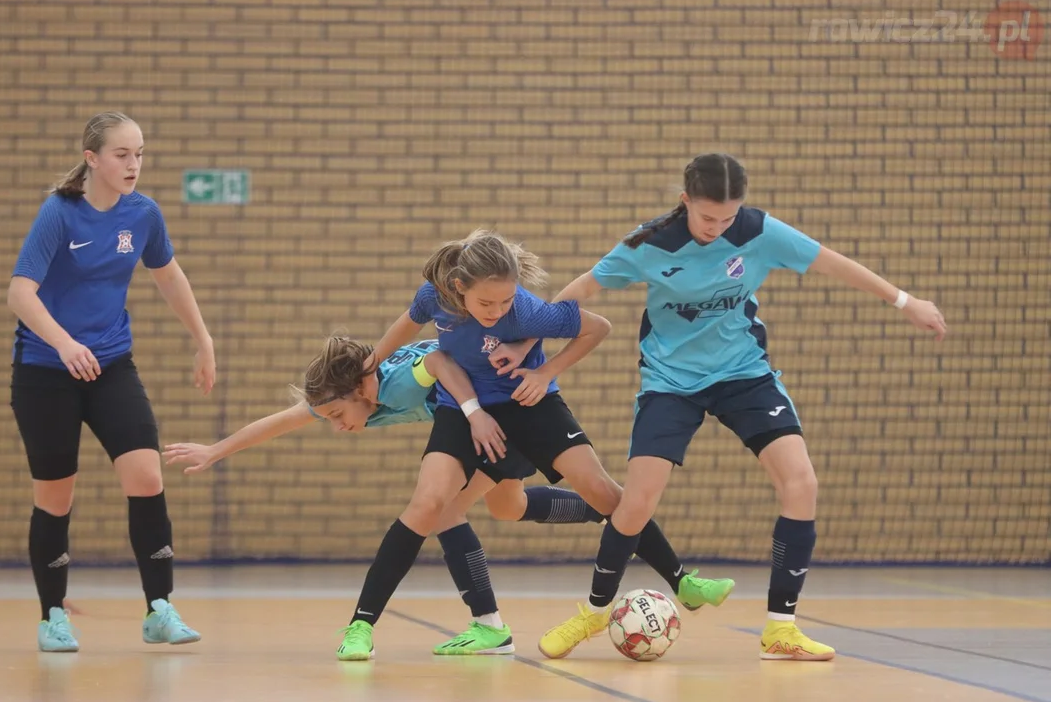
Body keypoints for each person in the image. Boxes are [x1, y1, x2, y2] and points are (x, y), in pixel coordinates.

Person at [521, 152, 947, 661]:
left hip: (745, 375)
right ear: (685, 202)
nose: (717, 228)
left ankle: (780, 629)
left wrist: (906, 302)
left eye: (727, 217)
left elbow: (836, 264)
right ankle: (591, 615)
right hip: (671, 381)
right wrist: (532, 353)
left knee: (801, 483)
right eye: (707, 218)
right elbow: (578, 291)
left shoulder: (760, 232)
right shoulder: (649, 242)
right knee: (636, 502)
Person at [335, 229, 735, 662]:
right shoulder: (436, 297)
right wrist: (370, 366)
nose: (497, 311)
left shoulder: (526, 311)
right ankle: (361, 625)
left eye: (505, 301)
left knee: (603, 491)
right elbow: (406, 323)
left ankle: (683, 583)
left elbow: (598, 327)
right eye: (486, 303)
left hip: (528, 402)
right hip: (463, 408)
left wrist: (545, 374)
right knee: (430, 503)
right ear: (458, 288)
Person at [163, 334, 610, 655]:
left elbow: (436, 360)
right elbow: (279, 421)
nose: (337, 427)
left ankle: (482, 625)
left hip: (497, 417)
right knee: (507, 507)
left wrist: (472, 413)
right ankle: (601, 512)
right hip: (483, 421)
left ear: (360, 389)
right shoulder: (339, 395)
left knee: (441, 511)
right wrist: (216, 450)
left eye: (339, 415)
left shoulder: (397, 382)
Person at [7, 111, 215, 652]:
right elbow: (20, 293)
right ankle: (53, 616)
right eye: (122, 155)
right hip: (45, 371)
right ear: (92, 158)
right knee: (56, 497)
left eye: (140, 154)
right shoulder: (60, 213)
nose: (134, 165)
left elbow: (168, 274)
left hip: (110, 366)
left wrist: (203, 339)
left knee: (147, 476)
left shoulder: (142, 215)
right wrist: (63, 342)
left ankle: (159, 610)